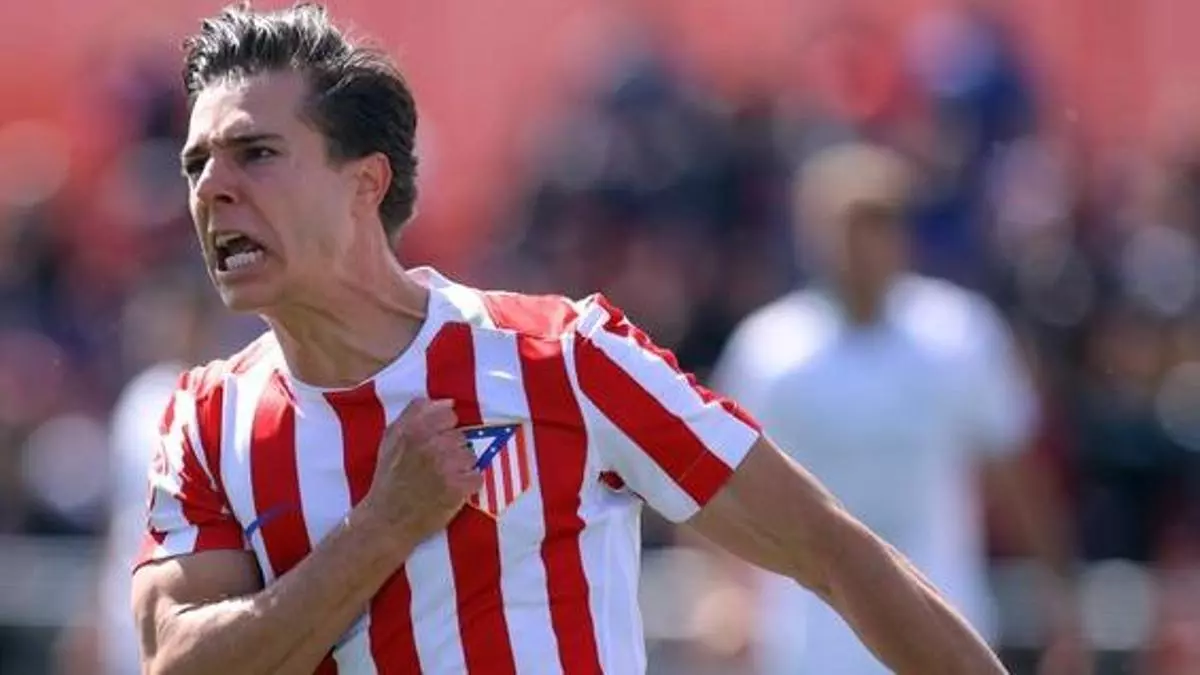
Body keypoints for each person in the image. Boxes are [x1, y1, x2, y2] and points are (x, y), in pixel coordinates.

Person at [130, 4, 1008, 674]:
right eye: (196, 163)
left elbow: (830, 550)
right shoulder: (206, 418)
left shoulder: (562, 358)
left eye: (255, 153)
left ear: (366, 183)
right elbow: (177, 663)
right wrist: (381, 528)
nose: (212, 188)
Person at [710, 141, 1084, 674]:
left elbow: (1017, 477)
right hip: (807, 645)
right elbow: (716, 480)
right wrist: (725, 593)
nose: (859, 248)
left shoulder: (960, 335)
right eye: (844, 228)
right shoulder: (768, 349)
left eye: (878, 225)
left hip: (942, 633)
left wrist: (1058, 599)